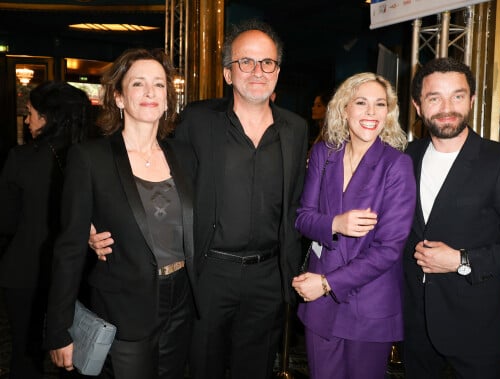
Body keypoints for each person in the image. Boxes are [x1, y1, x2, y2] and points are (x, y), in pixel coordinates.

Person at [90, 20, 308, 379]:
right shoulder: (198, 120)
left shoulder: (296, 128)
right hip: (208, 274)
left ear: (278, 71)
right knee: (201, 366)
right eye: (246, 62)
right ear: (227, 73)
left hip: (269, 276)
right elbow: (148, 166)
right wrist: (95, 222)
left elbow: (299, 199)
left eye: (267, 62)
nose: (258, 71)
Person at [44, 48, 197, 379]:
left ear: (169, 100)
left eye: (159, 85)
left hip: (181, 301)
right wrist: (58, 328)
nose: (149, 93)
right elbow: (68, 248)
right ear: (119, 97)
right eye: (138, 83)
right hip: (122, 305)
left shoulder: (185, 156)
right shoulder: (90, 158)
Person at [403, 57, 500, 378]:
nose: (447, 107)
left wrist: (460, 260)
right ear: (417, 105)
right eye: (434, 97)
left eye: (457, 95)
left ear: (470, 100)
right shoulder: (406, 158)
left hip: (475, 329)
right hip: (414, 325)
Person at [291, 72, 416, 379]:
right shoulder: (324, 154)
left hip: (369, 303)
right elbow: (303, 217)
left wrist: (326, 284)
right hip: (321, 304)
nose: (371, 112)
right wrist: (336, 223)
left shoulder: (396, 165)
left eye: (379, 104)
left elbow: (389, 249)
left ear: (388, 113)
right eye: (361, 103)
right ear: (344, 109)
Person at [0, 81, 91, 379]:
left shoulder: (21, 158)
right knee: (77, 355)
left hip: (24, 271)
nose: (27, 120)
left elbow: (6, 221)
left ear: (49, 117)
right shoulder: (97, 156)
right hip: (81, 273)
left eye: (30, 113)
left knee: (25, 355)